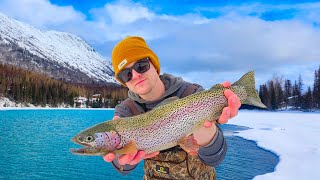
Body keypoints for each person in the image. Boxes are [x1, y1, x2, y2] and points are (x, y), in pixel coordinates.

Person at [103, 36, 241, 179]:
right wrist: (121, 156)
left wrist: (205, 130)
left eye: (141, 66)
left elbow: (215, 159)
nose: (136, 75)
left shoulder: (192, 94)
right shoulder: (126, 111)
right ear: (124, 82)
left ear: (155, 66)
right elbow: (123, 168)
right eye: (127, 74)